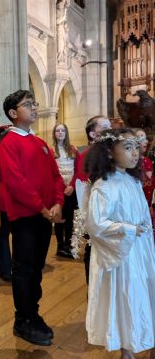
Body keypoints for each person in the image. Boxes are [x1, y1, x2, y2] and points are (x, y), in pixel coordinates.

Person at [83, 128, 155, 359]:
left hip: (140, 250)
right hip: (121, 255)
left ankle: (150, 343)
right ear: (109, 153)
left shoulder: (132, 181)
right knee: (127, 300)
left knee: (146, 294)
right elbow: (96, 224)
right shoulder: (104, 186)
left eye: (136, 147)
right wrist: (128, 229)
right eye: (127, 147)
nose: (135, 153)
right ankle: (127, 356)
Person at [0, 90, 64, 347]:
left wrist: (58, 203)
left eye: (35, 103)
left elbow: (55, 176)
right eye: (28, 104)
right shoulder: (9, 142)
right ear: (13, 113)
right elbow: (15, 182)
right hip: (24, 216)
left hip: (44, 214)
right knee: (24, 269)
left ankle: (33, 313)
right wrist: (42, 208)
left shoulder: (40, 142)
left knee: (36, 267)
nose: (34, 107)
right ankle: (22, 319)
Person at [72, 115, 112, 283]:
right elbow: (84, 185)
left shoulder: (113, 152)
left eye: (110, 126)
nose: (110, 130)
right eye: (105, 127)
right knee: (93, 249)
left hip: (112, 209)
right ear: (93, 134)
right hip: (96, 210)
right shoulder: (87, 155)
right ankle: (93, 287)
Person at [51, 123, 79, 259]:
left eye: (63, 130)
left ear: (66, 133)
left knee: (69, 218)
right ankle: (60, 246)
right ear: (54, 133)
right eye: (58, 131)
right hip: (58, 190)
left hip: (71, 189)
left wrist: (72, 186)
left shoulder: (73, 149)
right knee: (59, 218)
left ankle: (68, 244)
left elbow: (78, 170)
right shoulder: (51, 150)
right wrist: (63, 187)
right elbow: (51, 172)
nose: (60, 133)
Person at [0, 125, 12, 282]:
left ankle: (5, 268)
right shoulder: (2, 153)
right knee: (6, 233)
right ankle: (5, 268)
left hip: (8, 195)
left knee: (5, 233)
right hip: (9, 196)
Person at [134, 129, 155, 207]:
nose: (146, 141)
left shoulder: (148, 161)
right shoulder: (132, 164)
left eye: (146, 139)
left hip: (150, 204)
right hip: (139, 205)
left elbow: (152, 181)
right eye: (142, 139)